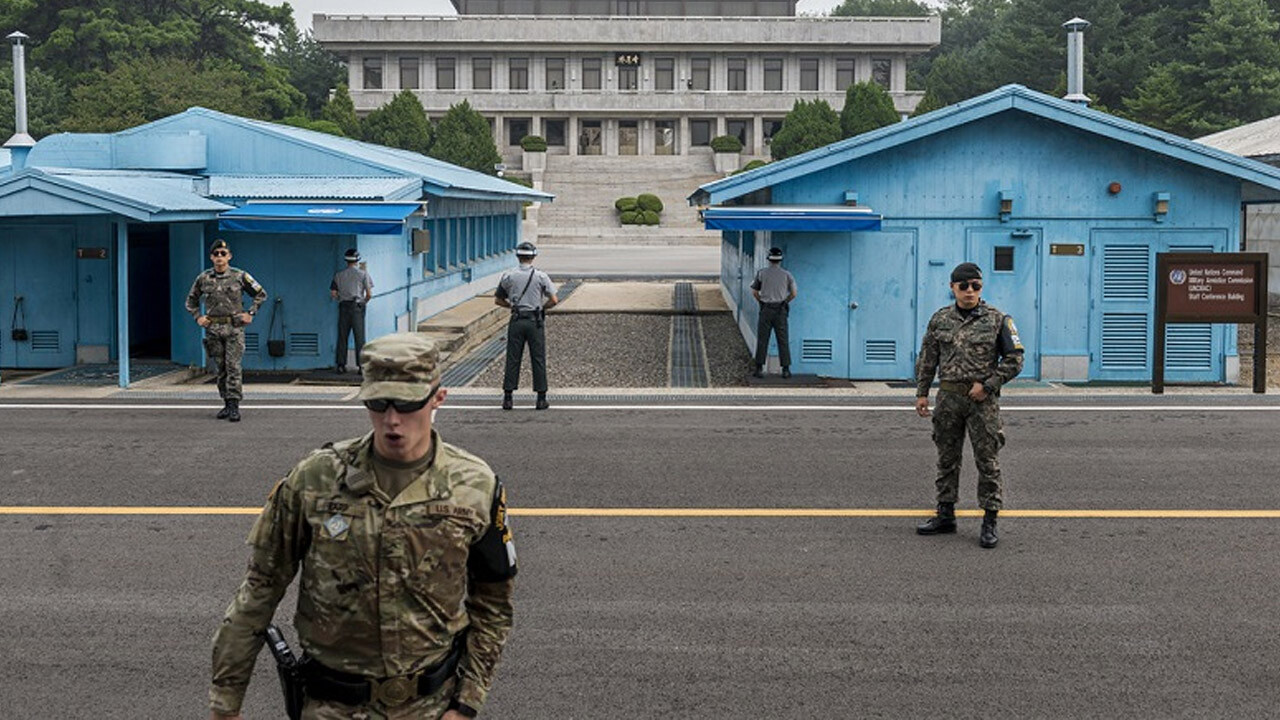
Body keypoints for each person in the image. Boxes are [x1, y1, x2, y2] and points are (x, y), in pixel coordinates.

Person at [208, 333, 517, 720]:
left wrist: (467, 702)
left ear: (438, 397)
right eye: (378, 403)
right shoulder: (315, 478)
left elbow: (493, 602)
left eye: (407, 403)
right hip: (331, 707)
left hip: (432, 707)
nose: (392, 419)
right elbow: (260, 589)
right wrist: (226, 702)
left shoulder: (475, 485)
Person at [914, 262, 1024, 549]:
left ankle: (989, 520)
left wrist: (988, 385)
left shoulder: (998, 319)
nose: (970, 291)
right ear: (952, 287)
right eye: (964, 286)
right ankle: (945, 514)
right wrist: (922, 393)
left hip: (981, 402)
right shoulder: (940, 319)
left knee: (987, 460)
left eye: (976, 285)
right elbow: (928, 358)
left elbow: (1015, 360)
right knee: (947, 458)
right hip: (949, 399)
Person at [186, 239, 267, 422]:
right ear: (211, 257)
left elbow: (261, 294)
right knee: (221, 368)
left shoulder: (240, 276)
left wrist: (251, 313)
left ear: (229, 256)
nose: (220, 257)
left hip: (234, 328)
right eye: (216, 254)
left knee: (233, 366)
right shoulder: (204, 278)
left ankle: (234, 405)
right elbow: (191, 301)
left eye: (223, 254)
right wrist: (198, 316)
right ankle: (225, 401)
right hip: (213, 329)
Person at [494, 241, 558, 411]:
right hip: (534, 321)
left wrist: (512, 306)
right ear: (533, 257)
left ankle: (508, 398)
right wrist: (542, 308)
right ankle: (541, 398)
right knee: (538, 358)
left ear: (517, 256)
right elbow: (554, 300)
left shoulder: (508, 276)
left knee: (513, 358)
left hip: (516, 319)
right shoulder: (541, 276)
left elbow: (498, 299)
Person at [751, 246, 797, 379]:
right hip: (780, 310)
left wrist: (761, 301)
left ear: (769, 259)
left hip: (766, 309)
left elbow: (754, 291)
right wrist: (785, 302)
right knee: (782, 339)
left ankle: (759, 369)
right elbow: (794, 293)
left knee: (762, 339)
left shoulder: (761, 273)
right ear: (780, 260)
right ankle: (786, 370)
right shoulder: (787, 275)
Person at [330, 247, 374, 374]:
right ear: (357, 260)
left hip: (344, 306)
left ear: (346, 260)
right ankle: (361, 366)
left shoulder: (338, 275)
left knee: (342, 336)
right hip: (357, 306)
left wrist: (340, 299)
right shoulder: (363, 274)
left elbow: (333, 293)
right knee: (359, 336)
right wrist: (363, 302)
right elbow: (369, 294)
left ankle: (340, 365)